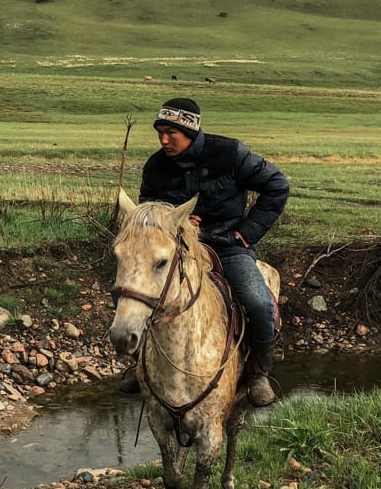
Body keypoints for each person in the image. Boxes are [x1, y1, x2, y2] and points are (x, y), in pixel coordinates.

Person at [122, 98, 290, 406]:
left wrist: (246, 233)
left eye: (171, 132)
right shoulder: (155, 166)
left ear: (191, 131)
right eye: (160, 131)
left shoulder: (231, 154)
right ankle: (139, 364)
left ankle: (258, 373)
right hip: (177, 249)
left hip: (227, 246)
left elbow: (277, 186)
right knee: (141, 292)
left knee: (257, 302)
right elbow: (146, 212)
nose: (163, 140)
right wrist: (175, 218)